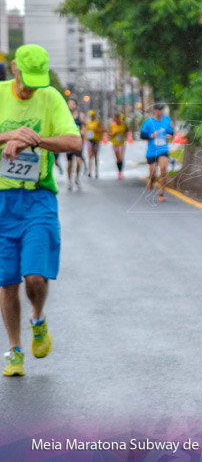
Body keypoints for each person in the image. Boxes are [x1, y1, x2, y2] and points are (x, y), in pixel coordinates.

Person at [0, 44, 82, 377]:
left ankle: (38, 318)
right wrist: (9, 135)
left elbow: (74, 142)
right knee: (6, 283)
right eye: (27, 79)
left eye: (38, 81)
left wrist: (34, 140)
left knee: (34, 275)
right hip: (3, 200)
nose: (32, 87)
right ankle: (15, 350)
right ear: (15, 68)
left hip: (38, 198)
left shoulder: (49, 96)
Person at [140, 103, 174, 202]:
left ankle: (161, 193)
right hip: (151, 151)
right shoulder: (148, 122)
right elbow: (142, 135)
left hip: (163, 149)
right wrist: (151, 135)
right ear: (154, 111)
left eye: (161, 110)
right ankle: (151, 181)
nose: (160, 112)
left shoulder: (167, 120)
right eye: (158, 110)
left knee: (163, 170)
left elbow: (171, 132)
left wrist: (170, 135)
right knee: (153, 173)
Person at [64, 98, 85, 192]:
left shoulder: (80, 115)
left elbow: (84, 127)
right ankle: (69, 180)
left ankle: (77, 178)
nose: (70, 105)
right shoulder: (65, 115)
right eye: (69, 103)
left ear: (75, 105)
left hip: (78, 141)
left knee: (78, 161)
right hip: (68, 141)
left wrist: (82, 133)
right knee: (69, 163)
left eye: (72, 104)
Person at [108, 113, 128, 179]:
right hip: (115, 143)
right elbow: (109, 133)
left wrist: (124, 136)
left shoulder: (123, 124)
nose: (115, 119)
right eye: (115, 118)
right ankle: (119, 171)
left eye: (117, 118)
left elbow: (126, 132)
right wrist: (112, 134)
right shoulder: (112, 125)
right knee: (117, 158)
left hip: (121, 143)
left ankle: (120, 172)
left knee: (120, 157)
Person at [84, 109, 102, 178]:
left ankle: (96, 171)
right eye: (90, 115)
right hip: (89, 141)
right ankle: (89, 171)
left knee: (95, 156)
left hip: (96, 141)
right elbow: (85, 130)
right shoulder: (87, 122)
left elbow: (102, 129)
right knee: (89, 156)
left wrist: (96, 130)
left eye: (92, 115)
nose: (91, 116)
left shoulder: (97, 122)